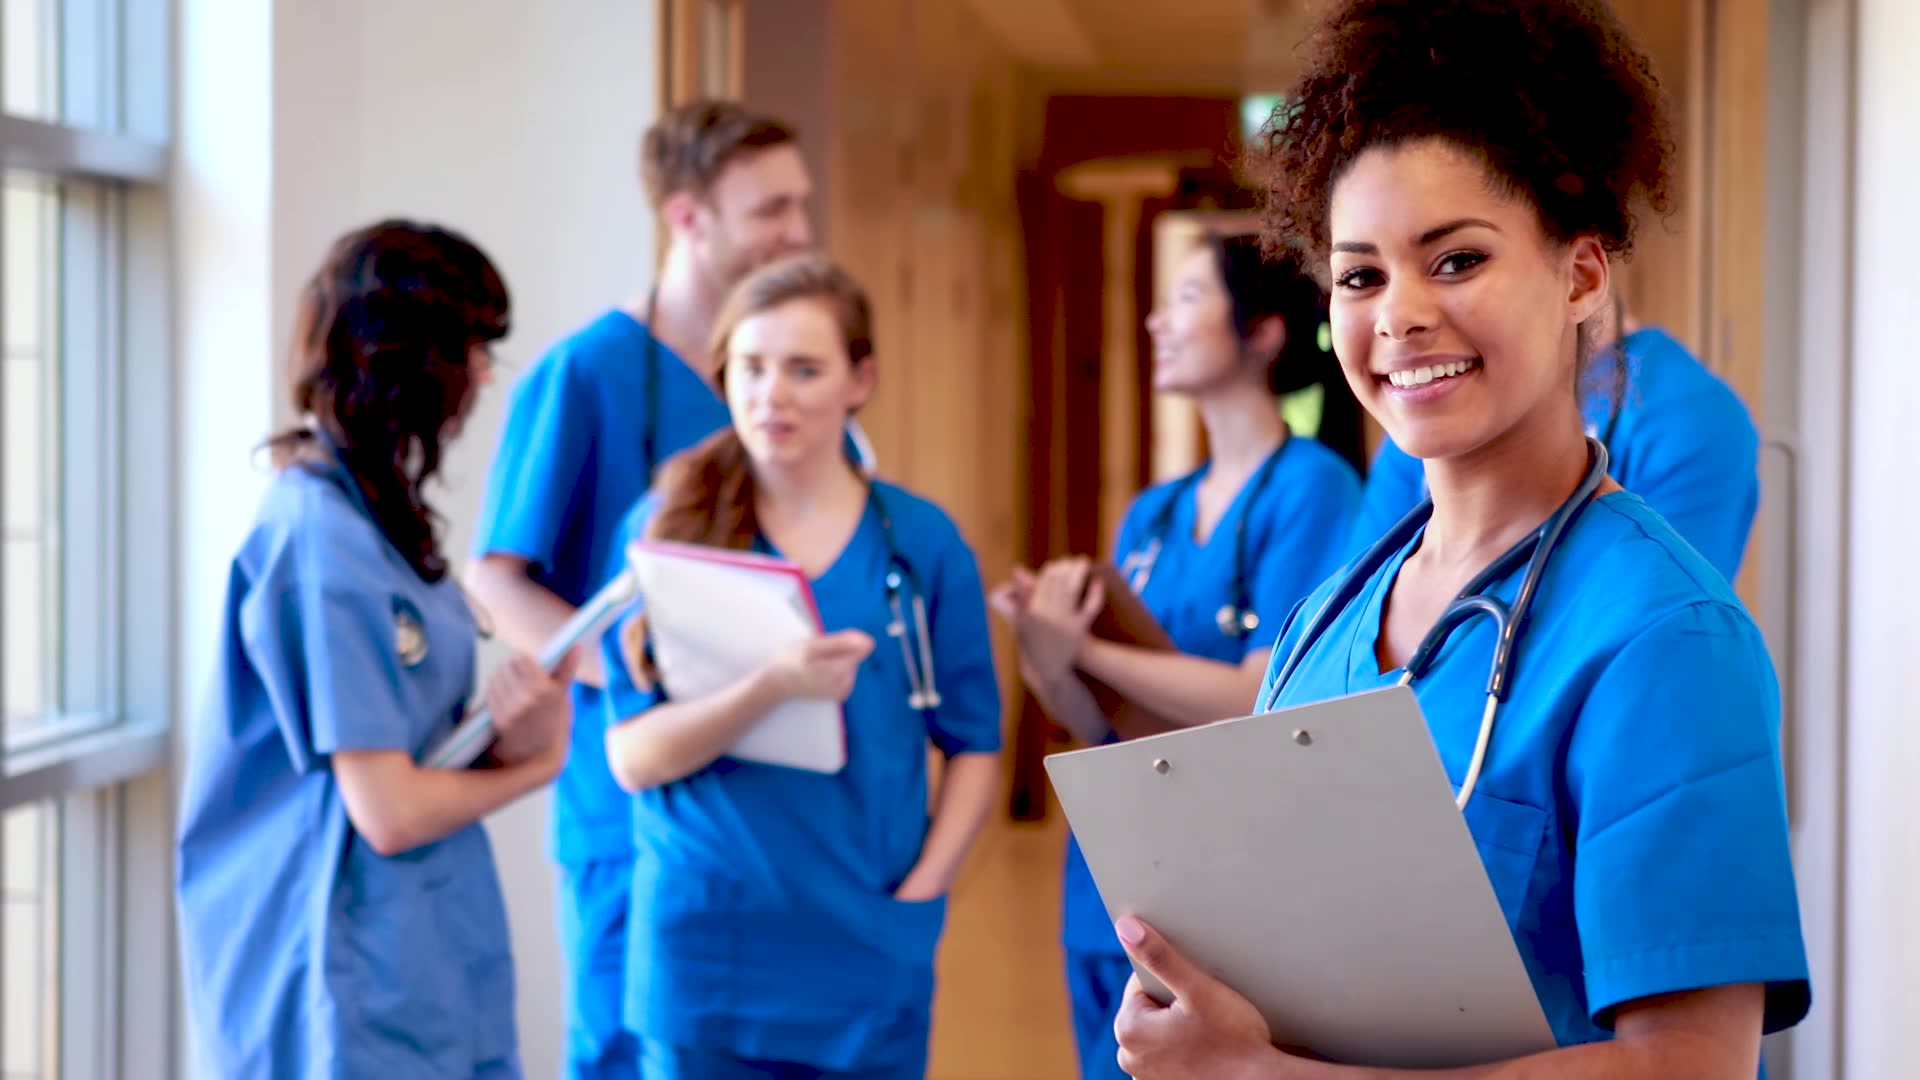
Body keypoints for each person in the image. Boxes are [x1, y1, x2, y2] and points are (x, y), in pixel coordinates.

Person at [1106, 1, 1811, 1077]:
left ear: (1580, 276)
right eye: (1360, 274)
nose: (1398, 316)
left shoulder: (1666, 638)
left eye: (1455, 260)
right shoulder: (1327, 622)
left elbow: (1690, 1064)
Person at [463, 99, 813, 1080]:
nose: (799, 232)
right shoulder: (588, 374)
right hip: (626, 814)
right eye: (772, 211)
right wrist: (625, 674)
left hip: (762, 807)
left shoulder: (775, 387)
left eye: (802, 206)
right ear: (689, 218)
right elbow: (494, 576)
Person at [176, 221, 576, 1077]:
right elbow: (388, 812)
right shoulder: (318, 540)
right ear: (411, 359)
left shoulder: (375, 517)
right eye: (471, 348)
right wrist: (537, 771)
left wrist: (514, 729)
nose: (482, 376)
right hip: (340, 951)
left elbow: (411, 735)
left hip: (416, 942)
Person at [597, 254, 1002, 1079]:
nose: (770, 394)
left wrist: (925, 891)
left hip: (866, 948)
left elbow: (974, 745)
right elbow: (634, 758)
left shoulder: (921, 546)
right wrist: (772, 686)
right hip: (707, 955)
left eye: (803, 369)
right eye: (750, 367)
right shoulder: (668, 529)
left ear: (861, 379)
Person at [989, 233, 1362, 1080]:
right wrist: (1047, 652)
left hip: (1230, 877)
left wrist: (1088, 649)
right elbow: (1095, 720)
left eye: (1187, 298)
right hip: (1109, 871)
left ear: (1263, 332)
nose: (1157, 321)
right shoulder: (1152, 515)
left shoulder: (1312, 487)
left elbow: (1260, 695)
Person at [1349, 294, 1761, 580]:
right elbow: (1359, 605)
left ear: (1582, 268)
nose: (1401, 319)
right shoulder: (1438, 399)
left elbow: (1660, 632)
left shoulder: (1687, 416)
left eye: (1463, 262)